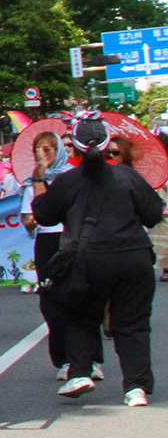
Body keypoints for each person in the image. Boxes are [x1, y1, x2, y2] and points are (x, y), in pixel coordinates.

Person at [33, 116, 161, 406]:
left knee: (79, 315)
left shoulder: (67, 181)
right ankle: (136, 389)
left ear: (74, 148)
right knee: (133, 324)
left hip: (88, 260)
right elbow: (153, 214)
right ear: (107, 145)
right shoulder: (127, 176)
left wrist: (39, 178)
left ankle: (80, 372)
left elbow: (44, 215)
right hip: (134, 257)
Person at [29, 130, 73, 372]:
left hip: (70, 237)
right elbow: (38, 215)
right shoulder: (32, 179)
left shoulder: (70, 176)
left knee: (78, 295)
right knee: (50, 299)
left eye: (48, 149)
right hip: (46, 240)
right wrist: (38, 180)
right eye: (38, 149)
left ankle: (90, 358)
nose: (42, 154)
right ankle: (62, 359)